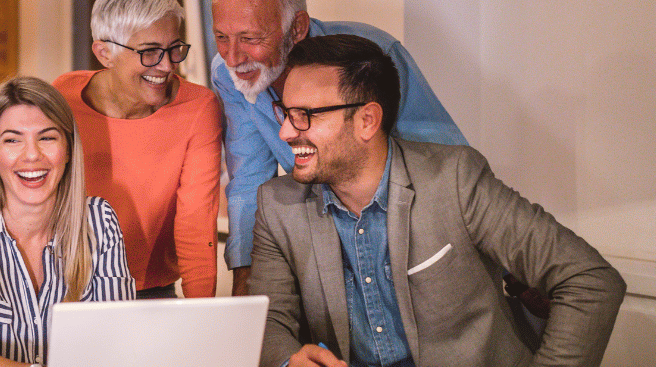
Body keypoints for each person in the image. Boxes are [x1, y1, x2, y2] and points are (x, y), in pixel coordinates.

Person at [251, 35, 625, 367]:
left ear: (367, 120)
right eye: (286, 113)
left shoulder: (455, 181)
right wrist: (288, 360)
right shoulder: (277, 206)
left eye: (306, 116)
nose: (285, 131)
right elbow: (267, 322)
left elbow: (590, 280)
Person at [210, 0, 467, 296]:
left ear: (297, 28)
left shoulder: (370, 55)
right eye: (221, 37)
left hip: (412, 229)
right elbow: (248, 180)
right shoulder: (228, 75)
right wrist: (244, 278)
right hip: (331, 234)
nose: (233, 57)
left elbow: (443, 162)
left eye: (251, 38)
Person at [0, 76, 135, 367]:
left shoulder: (99, 222)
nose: (31, 155)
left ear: (68, 149)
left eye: (47, 137)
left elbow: (116, 339)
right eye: (12, 140)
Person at [53, 0, 222, 299]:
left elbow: (196, 224)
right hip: (67, 286)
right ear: (105, 53)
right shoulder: (62, 97)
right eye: (149, 52)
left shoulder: (198, 108)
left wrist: (203, 317)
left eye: (174, 49)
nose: (167, 65)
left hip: (152, 290)